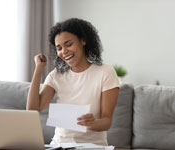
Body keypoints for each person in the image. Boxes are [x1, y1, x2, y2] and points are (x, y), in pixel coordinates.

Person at [26, 18, 120, 146]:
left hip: (92, 146)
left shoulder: (105, 72)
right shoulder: (56, 76)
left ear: (83, 40)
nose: (64, 51)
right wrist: (38, 69)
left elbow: (106, 121)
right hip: (59, 145)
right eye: (59, 48)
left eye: (68, 44)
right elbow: (32, 110)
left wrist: (92, 123)